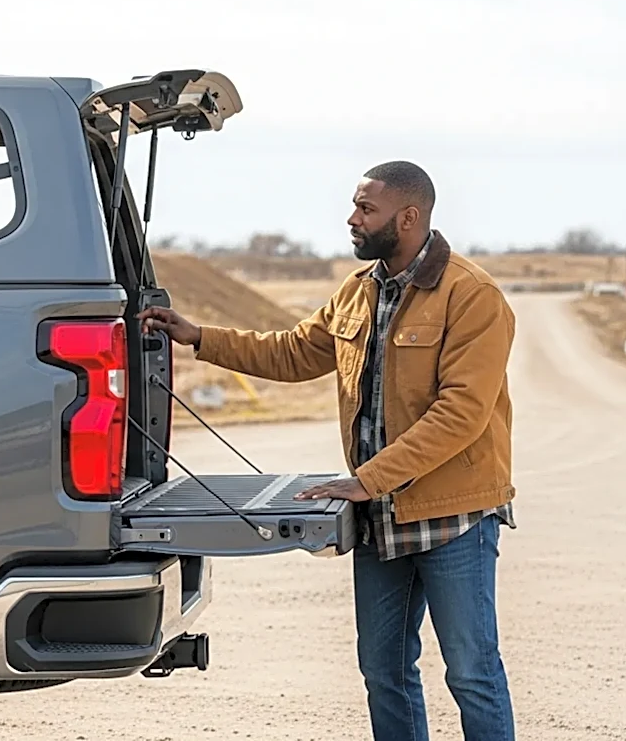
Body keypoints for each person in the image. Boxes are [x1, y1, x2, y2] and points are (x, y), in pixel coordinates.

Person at [137, 160, 516, 741]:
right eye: (356, 206)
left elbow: (460, 413)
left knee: (472, 675)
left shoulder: (472, 296)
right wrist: (199, 337)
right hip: (380, 520)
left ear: (408, 217)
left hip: (452, 520)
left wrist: (367, 480)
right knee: (383, 672)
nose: (352, 219)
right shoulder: (359, 292)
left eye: (367, 209)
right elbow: (292, 352)